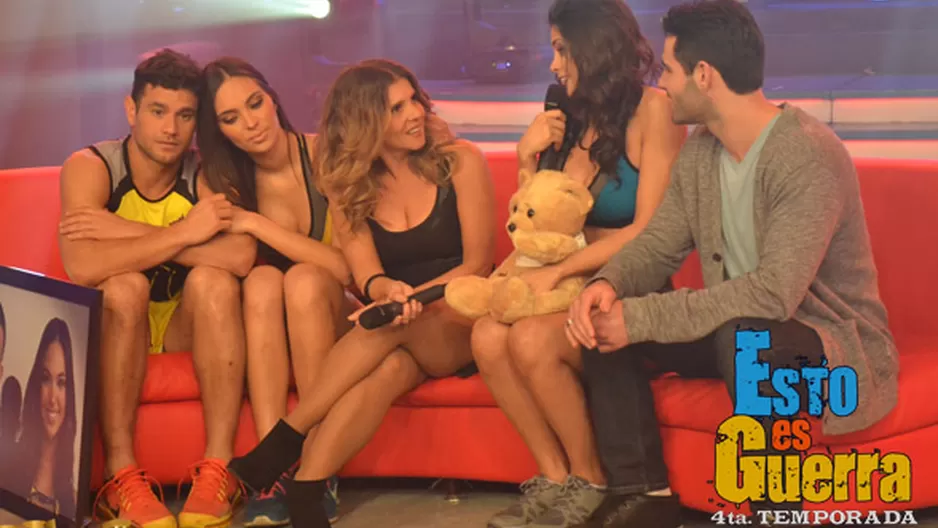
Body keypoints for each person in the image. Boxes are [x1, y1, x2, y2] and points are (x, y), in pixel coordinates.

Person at [564, 1, 899, 526]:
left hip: (827, 343)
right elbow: (659, 243)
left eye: (668, 71)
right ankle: (644, 495)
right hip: (736, 328)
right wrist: (608, 283)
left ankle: (775, 514)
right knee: (605, 326)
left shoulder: (806, 153)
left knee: (750, 341)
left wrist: (643, 317)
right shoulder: (702, 152)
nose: (661, 84)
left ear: (703, 75)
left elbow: (774, 294)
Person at [225, 58, 496, 527]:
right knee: (387, 370)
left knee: (384, 327)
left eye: (414, 100)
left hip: (461, 314)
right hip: (401, 326)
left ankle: (286, 437)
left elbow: (478, 266)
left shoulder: (460, 161)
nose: (415, 113)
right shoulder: (346, 183)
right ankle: (307, 491)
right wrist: (387, 290)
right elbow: (367, 275)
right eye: (396, 108)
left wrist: (410, 299)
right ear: (366, 122)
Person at [469, 0, 686, 526]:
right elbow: (538, 221)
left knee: (529, 339)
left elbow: (646, 230)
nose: (553, 64)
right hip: (560, 279)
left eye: (561, 49)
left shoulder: (653, 111)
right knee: (486, 336)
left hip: (625, 283)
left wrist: (561, 270)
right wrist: (526, 158)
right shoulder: (564, 118)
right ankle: (554, 476)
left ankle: (592, 479)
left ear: (594, 48)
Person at [57, 49, 255, 528]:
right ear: (132, 110)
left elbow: (239, 258)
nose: (171, 129)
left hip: (183, 323)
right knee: (124, 288)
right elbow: (82, 266)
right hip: (115, 322)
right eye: (158, 112)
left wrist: (124, 232)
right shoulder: (92, 166)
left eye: (185, 116)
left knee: (213, 281)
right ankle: (120, 475)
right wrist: (186, 234)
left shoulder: (205, 171)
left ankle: (219, 467)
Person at [196, 57, 350, 526]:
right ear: (220, 132)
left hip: (338, 309)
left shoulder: (326, 155)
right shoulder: (221, 179)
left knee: (303, 279)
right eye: (231, 118)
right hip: (269, 320)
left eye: (255, 103)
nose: (251, 123)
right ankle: (274, 467)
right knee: (263, 280)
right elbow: (239, 263)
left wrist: (255, 223)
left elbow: (343, 268)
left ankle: (318, 462)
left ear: (273, 98)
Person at [13, 318, 77, 519]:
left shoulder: (73, 501)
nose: (52, 398)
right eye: (46, 379)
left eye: (61, 383)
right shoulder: (8, 470)